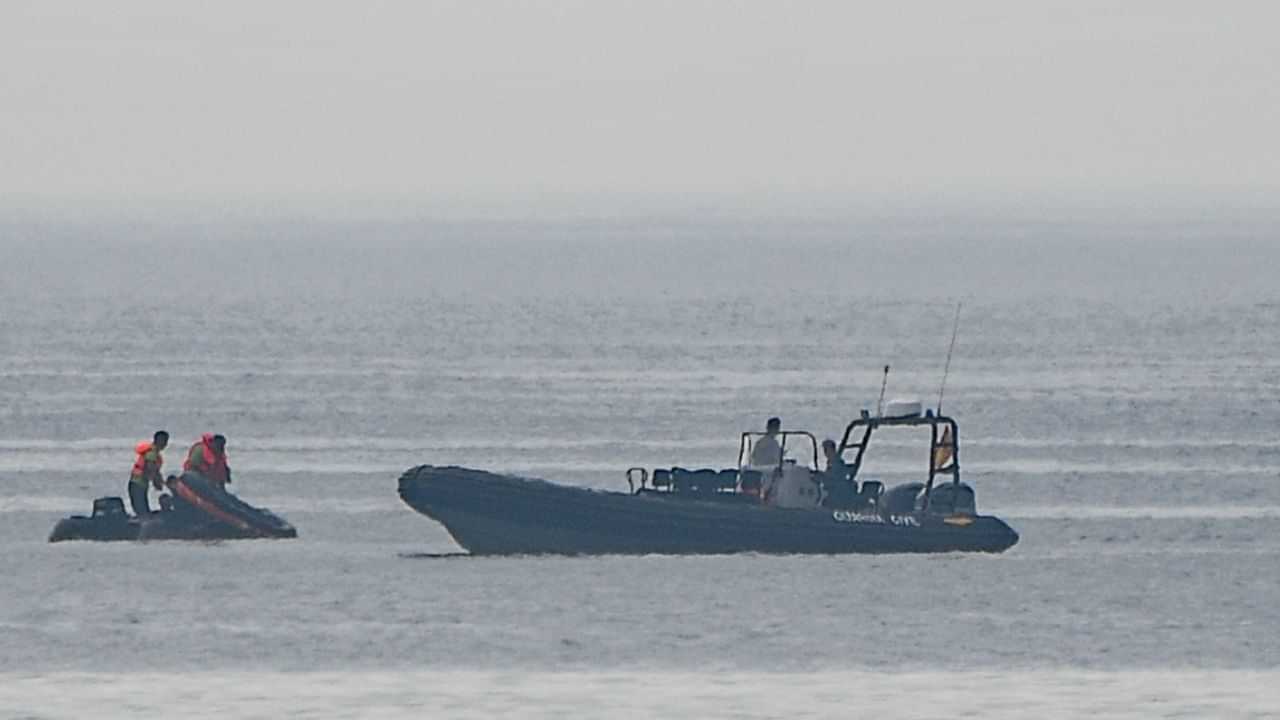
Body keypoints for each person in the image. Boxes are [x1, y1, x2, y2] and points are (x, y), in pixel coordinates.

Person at [128, 430, 169, 516]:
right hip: (137, 484)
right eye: (165, 442)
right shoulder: (151, 454)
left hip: (140, 484)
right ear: (159, 441)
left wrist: (161, 481)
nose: (166, 445)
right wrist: (157, 482)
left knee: (143, 508)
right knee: (142, 510)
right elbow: (150, 469)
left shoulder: (154, 453)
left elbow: (155, 471)